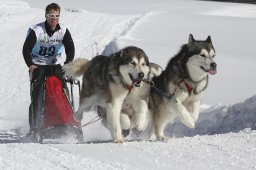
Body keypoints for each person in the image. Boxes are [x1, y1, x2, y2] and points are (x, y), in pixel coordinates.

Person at [22, 3, 75, 136]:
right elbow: (26, 48)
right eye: (51, 16)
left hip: (55, 64)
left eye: (57, 16)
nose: (54, 19)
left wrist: (68, 64)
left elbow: (70, 48)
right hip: (38, 64)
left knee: (64, 85)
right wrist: (30, 65)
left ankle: (69, 119)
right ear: (45, 16)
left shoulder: (63, 30)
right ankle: (34, 127)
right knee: (37, 90)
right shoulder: (37, 30)